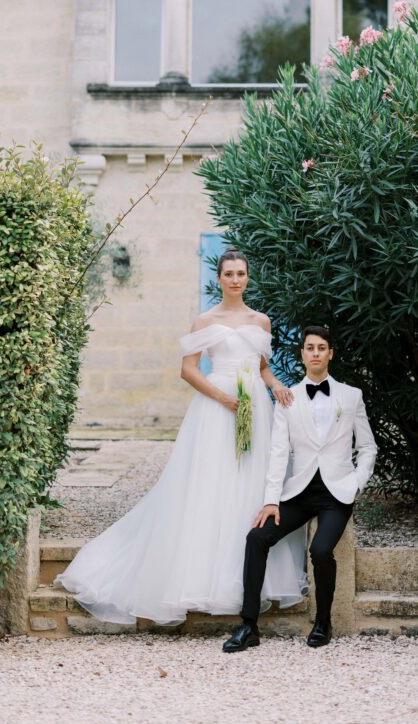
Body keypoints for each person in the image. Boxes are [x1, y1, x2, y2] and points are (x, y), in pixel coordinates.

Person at [55, 249, 306, 625]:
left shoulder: (261, 321)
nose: (235, 280)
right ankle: (200, 578)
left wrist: (276, 386)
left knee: (250, 481)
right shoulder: (205, 320)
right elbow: (188, 370)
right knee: (211, 482)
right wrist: (223, 398)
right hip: (217, 407)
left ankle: (248, 576)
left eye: (241, 274)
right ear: (219, 278)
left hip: (254, 407)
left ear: (247, 277)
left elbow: (261, 367)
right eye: (229, 274)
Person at [223, 325, 378, 651]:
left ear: (330, 353)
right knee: (256, 537)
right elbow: (278, 454)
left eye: (321, 347)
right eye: (310, 348)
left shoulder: (351, 396)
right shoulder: (288, 399)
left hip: (337, 494)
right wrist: (271, 501)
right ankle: (248, 626)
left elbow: (367, 447)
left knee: (320, 550)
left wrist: (357, 483)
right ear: (303, 354)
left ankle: (323, 622)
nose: (316, 353)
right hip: (300, 492)